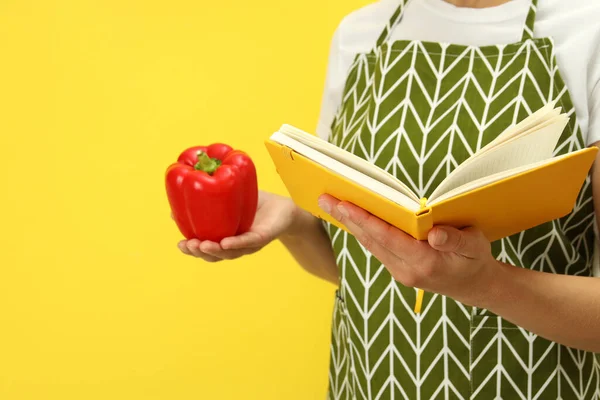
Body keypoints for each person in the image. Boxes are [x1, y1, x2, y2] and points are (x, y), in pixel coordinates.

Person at [178, 0, 600, 398]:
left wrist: (486, 285)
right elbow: (363, 273)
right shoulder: (361, 36)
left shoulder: (587, 32)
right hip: (366, 381)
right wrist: (293, 223)